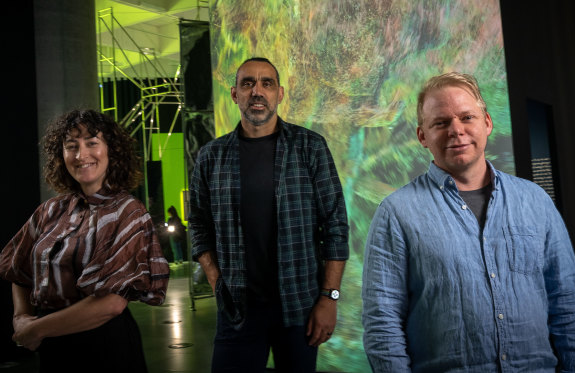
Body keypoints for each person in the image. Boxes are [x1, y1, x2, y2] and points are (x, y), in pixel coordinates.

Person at [361, 72, 575, 372]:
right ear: (422, 136)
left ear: (487, 123)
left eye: (467, 117)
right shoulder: (395, 213)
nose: (456, 130)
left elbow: (569, 304)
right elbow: (382, 324)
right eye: (440, 123)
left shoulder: (536, 201)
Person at [189, 57, 349, 372]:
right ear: (234, 94)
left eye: (267, 83)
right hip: (238, 309)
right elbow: (198, 224)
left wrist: (329, 298)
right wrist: (215, 279)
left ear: (280, 94)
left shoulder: (310, 148)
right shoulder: (211, 156)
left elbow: (336, 226)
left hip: (300, 306)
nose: (257, 91)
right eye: (248, 83)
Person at [0, 109, 170, 372]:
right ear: (62, 154)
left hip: (103, 345)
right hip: (52, 346)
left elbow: (112, 304)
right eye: (71, 146)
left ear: (111, 151)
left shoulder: (128, 212)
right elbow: (18, 269)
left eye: (92, 143)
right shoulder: (50, 210)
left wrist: (35, 329)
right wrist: (21, 317)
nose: (81, 155)